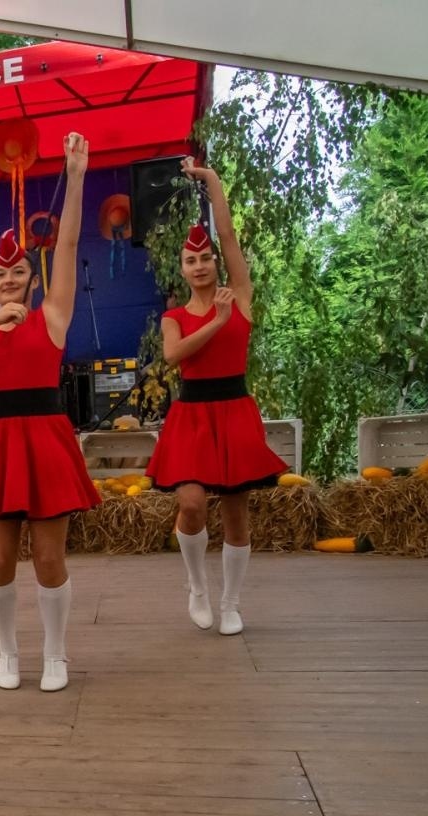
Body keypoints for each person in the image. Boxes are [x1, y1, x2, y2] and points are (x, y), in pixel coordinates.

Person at [0, 133, 98, 693]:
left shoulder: (51, 317)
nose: (9, 280)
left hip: (45, 440)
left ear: (33, 278)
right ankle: (7, 653)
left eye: (18, 274)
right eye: (0, 275)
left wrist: (75, 178)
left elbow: (70, 244)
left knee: (50, 559)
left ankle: (56, 654)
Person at [144, 158, 286, 636]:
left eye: (206, 259)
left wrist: (212, 181)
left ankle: (230, 601)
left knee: (237, 512)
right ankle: (198, 586)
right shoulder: (174, 316)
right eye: (191, 260)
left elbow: (227, 234)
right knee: (190, 504)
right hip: (192, 413)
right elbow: (172, 357)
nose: (201, 265)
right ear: (182, 269)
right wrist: (218, 324)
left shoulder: (239, 294)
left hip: (234, 409)